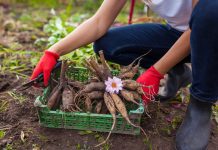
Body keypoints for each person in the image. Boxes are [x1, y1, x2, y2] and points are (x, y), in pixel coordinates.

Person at [31, 0, 217, 149]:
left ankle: (201, 103)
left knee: (212, 10)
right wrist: (54, 51)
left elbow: (199, 28)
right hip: (178, 33)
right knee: (109, 45)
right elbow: (98, 23)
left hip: (211, 32)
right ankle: (178, 71)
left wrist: (156, 71)